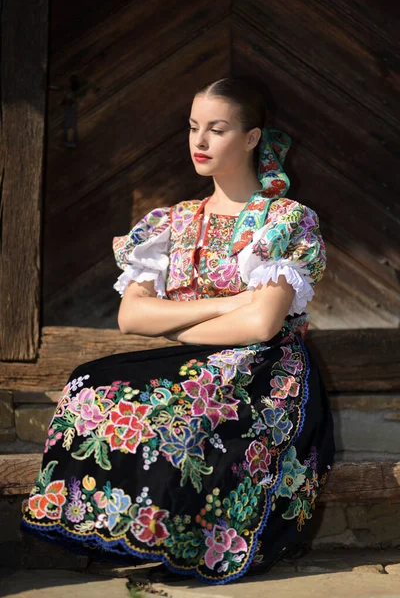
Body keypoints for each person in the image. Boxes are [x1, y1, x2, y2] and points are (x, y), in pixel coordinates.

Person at [20, 76, 336, 585]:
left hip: (263, 372)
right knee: (87, 384)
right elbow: (131, 317)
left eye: (217, 129)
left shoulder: (282, 222)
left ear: (252, 138)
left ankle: (183, 539)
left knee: (176, 409)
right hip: (196, 357)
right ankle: (123, 528)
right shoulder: (174, 221)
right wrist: (229, 302)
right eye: (193, 128)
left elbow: (261, 323)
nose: (200, 142)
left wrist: (177, 322)